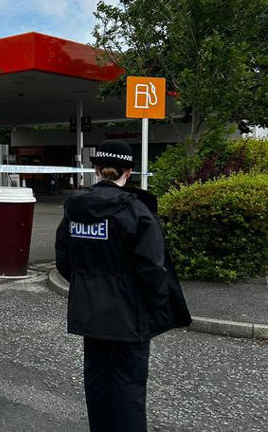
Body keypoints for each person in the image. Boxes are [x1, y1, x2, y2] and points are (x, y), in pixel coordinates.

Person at [55, 139, 191, 432]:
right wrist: (155, 306)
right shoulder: (137, 212)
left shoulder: (74, 209)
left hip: (90, 314)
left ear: (96, 170)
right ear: (128, 172)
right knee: (128, 387)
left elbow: (64, 262)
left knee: (97, 382)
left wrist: (89, 289)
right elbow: (153, 270)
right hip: (130, 316)